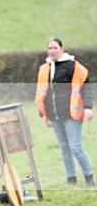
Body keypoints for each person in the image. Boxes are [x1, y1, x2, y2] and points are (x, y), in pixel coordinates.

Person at [35, 37, 94, 186]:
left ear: (61, 49)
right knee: (64, 148)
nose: (52, 51)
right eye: (50, 48)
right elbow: (43, 92)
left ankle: (89, 178)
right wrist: (44, 114)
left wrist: (88, 107)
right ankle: (71, 179)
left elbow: (86, 88)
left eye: (55, 48)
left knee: (75, 147)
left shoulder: (73, 66)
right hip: (54, 114)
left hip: (72, 114)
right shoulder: (45, 68)